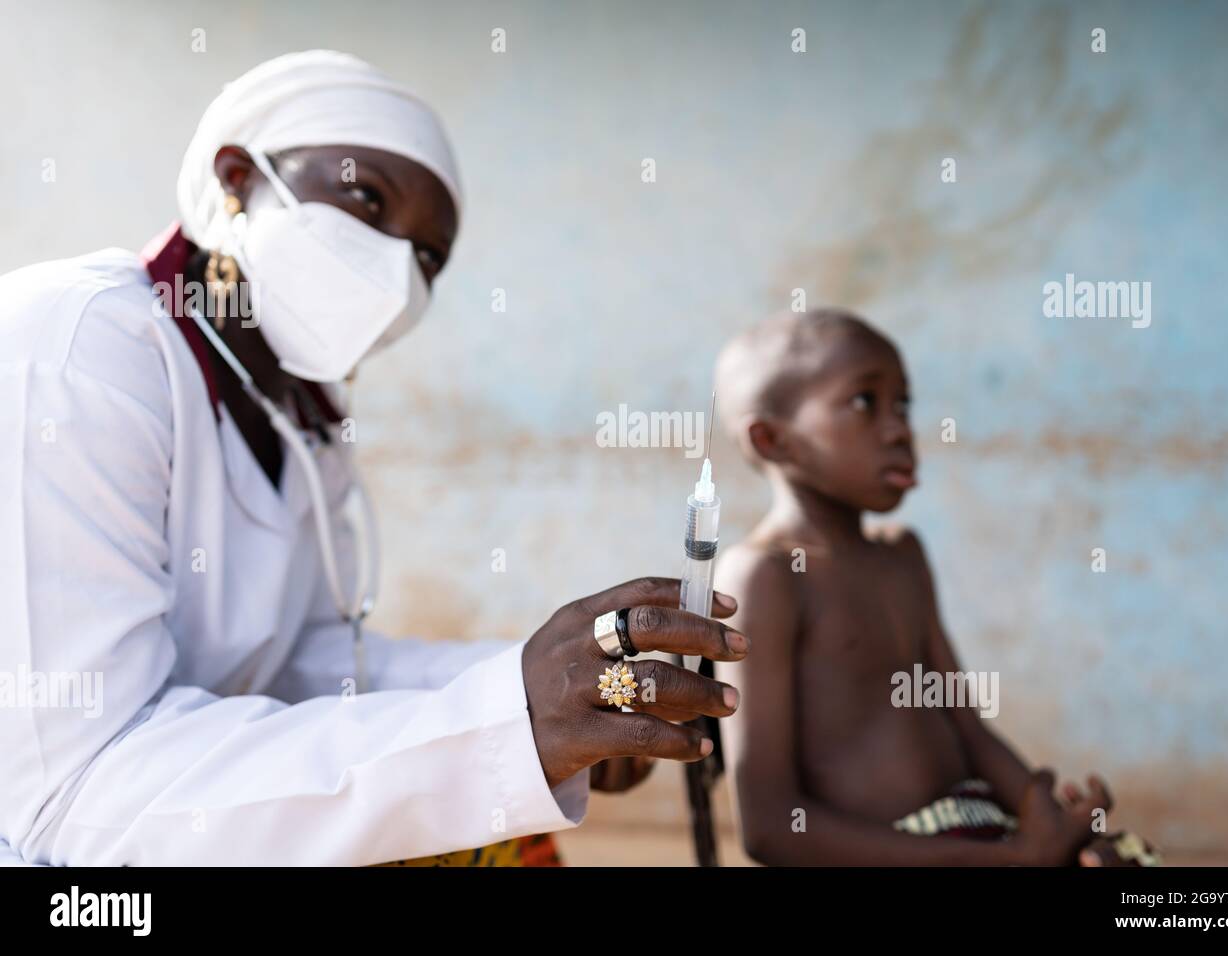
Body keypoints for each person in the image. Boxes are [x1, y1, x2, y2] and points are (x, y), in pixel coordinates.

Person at [0, 50, 745, 866]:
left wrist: (549, 691)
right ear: (238, 177)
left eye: (428, 257)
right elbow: (73, 794)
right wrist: (507, 723)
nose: (396, 268)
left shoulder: (300, 417)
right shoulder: (78, 348)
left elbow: (310, 664)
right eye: (365, 198)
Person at [711, 308, 1158, 866]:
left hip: (977, 829)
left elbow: (968, 728)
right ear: (773, 440)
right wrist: (1014, 861)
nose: (898, 427)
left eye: (903, 404)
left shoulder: (903, 557)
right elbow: (772, 830)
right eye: (863, 402)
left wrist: (1054, 822)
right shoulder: (765, 577)